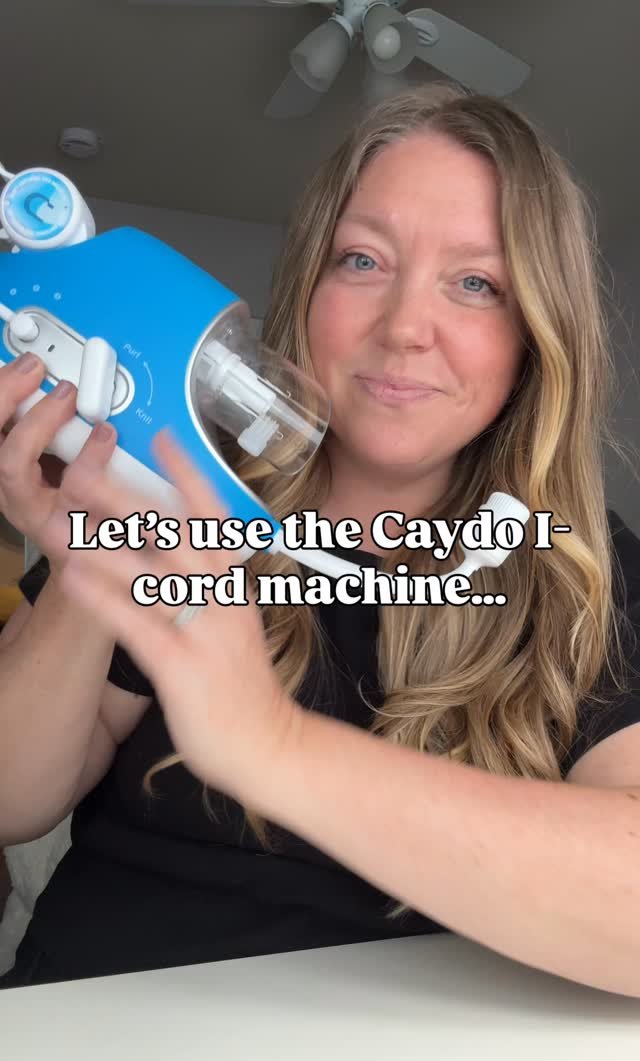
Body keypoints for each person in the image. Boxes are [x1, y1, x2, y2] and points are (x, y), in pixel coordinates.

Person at [1, 80, 639, 996]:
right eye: (363, 261)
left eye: (475, 284)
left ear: (535, 336)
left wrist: (271, 745)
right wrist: (87, 567)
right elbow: (14, 800)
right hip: (88, 1030)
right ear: (309, 288)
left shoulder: (580, 571)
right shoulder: (185, 498)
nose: (404, 328)